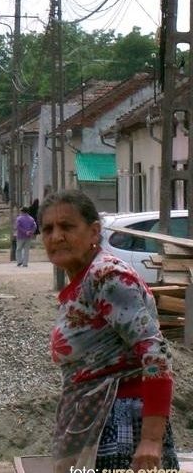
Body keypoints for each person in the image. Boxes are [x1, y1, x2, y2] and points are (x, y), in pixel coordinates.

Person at [39, 190, 178, 472]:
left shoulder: (108, 277)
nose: (56, 237)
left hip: (120, 426)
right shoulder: (84, 281)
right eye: (48, 229)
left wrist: (151, 439)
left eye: (67, 226)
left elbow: (156, 353)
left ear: (94, 232)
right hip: (91, 422)